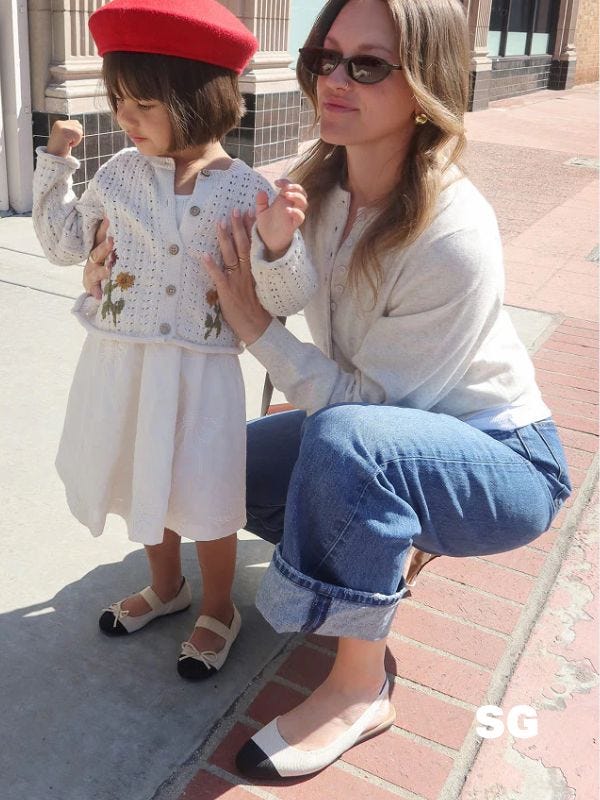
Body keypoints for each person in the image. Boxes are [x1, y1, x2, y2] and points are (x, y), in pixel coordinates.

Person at [85, 0, 571, 780]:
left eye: (368, 64)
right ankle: (385, 541)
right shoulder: (314, 194)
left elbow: (375, 414)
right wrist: (107, 265)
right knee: (221, 467)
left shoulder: (452, 232)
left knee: (346, 450)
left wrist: (260, 336)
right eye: (324, 59)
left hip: (499, 456)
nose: (335, 81)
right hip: (381, 426)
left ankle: (358, 683)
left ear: (423, 87)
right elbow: (223, 278)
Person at [32, 0, 314, 682]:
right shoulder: (117, 174)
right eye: (118, 100)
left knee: (206, 492)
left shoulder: (247, 193)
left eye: (143, 104)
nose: (125, 119)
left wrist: (278, 246)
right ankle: (167, 588)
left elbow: (285, 299)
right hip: (122, 364)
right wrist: (56, 165)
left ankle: (219, 605)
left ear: (199, 100)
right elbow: (63, 244)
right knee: (143, 481)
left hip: (203, 371)